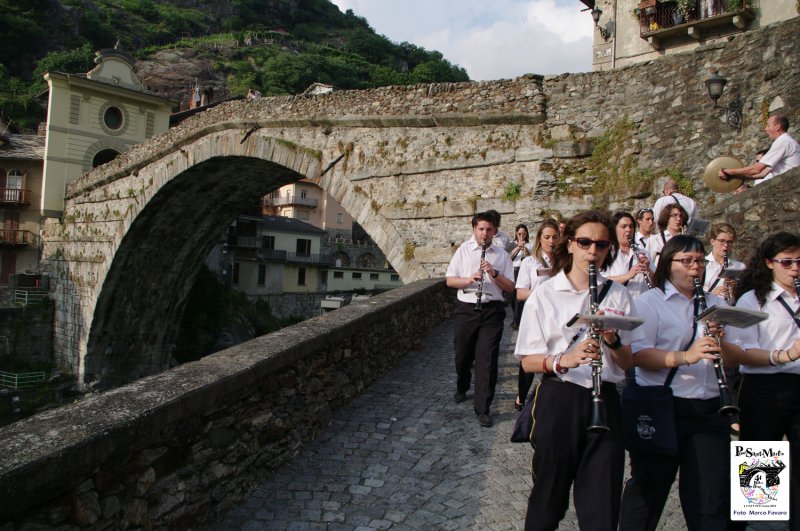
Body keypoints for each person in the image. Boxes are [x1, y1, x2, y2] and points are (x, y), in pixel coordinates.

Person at [515, 210, 641, 530]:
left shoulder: (621, 295)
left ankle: (761, 512)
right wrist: (564, 360)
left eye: (601, 245)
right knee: (548, 495)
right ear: (570, 244)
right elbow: (528, 360)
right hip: (561, 396)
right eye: (585, 242)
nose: (593, 251)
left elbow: (628, 364)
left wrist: (612, 340)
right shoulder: (546, 293)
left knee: (602, 505)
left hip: (609, 398)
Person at [619, 235, 744, 531]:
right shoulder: (650, 302)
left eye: (699, 261)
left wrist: (721, 342)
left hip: (711, 408)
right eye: (687, 261)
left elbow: (735, 358)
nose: (695, 268)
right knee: (648, 492)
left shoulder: (717, 303)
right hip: (665, 406)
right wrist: (687, 355)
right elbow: (636, 356)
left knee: (710, 499)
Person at [733, 232, 800, 530]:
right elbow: (742, 352)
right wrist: (784, 355)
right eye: (787, 262)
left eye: (799, 262)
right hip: (765, 389)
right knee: (761, 475)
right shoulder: (752, 299)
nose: (795, 269)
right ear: (769, 263)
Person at [446, 211, 515, 427]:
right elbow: (450, 280)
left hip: (492, 311)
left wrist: (494, 274)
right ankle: (462, 385)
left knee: (487, 359)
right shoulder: (463, 252)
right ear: (474, 229)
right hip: (467, 308)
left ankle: (483, 408)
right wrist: (468, 279)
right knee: (462, 354)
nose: (485, 234)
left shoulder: (502, 255)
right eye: (481, 229)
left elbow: (511, 287)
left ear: (495, 231)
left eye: (489, 229)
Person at [513, 218, 559, 409]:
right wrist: (541, 293)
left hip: (557, 315)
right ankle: (522, 396)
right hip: (535, 314)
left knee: (555, 355)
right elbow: (520, 293)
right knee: (530, 355)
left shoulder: (566, 262)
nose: (551, 241)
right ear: (540, 238)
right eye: (547, 237)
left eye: (555, 237)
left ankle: (550, 395)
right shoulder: (529, 262)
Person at [720, 115, 800, 185]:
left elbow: (757, 169)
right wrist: (733, 175)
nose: (765, 129)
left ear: (777, 127)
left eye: (768, 125)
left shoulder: (783, 141)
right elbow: (761, 174)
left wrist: (730, 171)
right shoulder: (784, 142)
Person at [606, 211, 653, 299]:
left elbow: (657, 283)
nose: (628, 230)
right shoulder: (607, 253)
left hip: (642, 305)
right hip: (618, 306)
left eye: (631, 226)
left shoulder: (643, 252)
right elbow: (602, 281)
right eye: (624, 226)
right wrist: (628, 275)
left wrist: (648, 269)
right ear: (614, 230)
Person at [704, 223, 745, 304]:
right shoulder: (702, 264)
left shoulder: (739, 266)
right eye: (722, 241)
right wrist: (710, 294)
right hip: (708, 309)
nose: (726, 245)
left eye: (729, 242)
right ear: (712, 241)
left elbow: (746, 294)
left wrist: (736, 287)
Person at [510, 224, 533, 330]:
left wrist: (526, 250)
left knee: (520, 298)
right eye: (519, 234)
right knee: (512, 297)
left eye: (524, 234)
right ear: (516, 233)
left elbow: (532, 259)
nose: (521, 236)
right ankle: (516, 318)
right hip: (513, 271)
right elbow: (508, 258)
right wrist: (518, 247)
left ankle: (517, 321)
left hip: (524, 271)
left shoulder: (530, 245)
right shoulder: (511, 244)